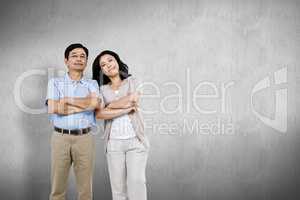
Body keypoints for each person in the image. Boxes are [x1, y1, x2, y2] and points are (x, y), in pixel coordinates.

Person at [92, 50, 150, 200]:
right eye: (103, 65)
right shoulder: (102, 89)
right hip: (113, 144)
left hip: (135, 141)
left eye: (110, 60)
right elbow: (98, 114)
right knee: (118, 190)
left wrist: (109, 106)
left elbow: (133, 99)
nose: (108, 65)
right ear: (102, 71)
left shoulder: (133, 81)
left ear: (117, 61)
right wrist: (125, 109)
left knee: (137, 183)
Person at [46, 43, 100, 200]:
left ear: (86, 61)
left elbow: (96, 104)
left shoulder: (93, 84)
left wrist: (67, 101)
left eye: (82, 56)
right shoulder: (55, 82)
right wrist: (85, 103)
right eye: (74, 56)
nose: (79, 59)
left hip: (85, 138)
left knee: (85, 190)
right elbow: (53, 107)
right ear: (66, 60)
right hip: (60, 138)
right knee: (57, 188)